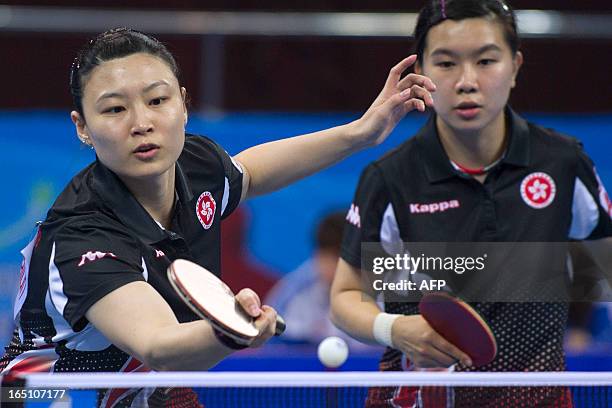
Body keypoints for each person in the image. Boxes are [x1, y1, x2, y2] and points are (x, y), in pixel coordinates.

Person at [0, 28, 435, 405]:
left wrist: (361, 132)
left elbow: (250, 175)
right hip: (49, 395)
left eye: (157, 100)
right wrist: (232, 330)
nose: (141, 122)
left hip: (146, 389)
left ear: (183, 104)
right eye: (114, 109)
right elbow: (158, 343)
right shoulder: (82, 234)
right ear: (82, 127)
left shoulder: (194, 163)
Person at [330, 0, 612, 406]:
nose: (466, 81)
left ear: (514, 66)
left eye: (485, 61)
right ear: (421, 74)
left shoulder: (562, 164)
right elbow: (346, 297)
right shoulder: (391, 178)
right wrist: (395, 329)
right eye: (445, 64)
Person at [266, 211, 367, 347]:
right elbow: (273, 344)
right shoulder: (295, 291)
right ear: (319, 255)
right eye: (336, 258)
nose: (344, 268)